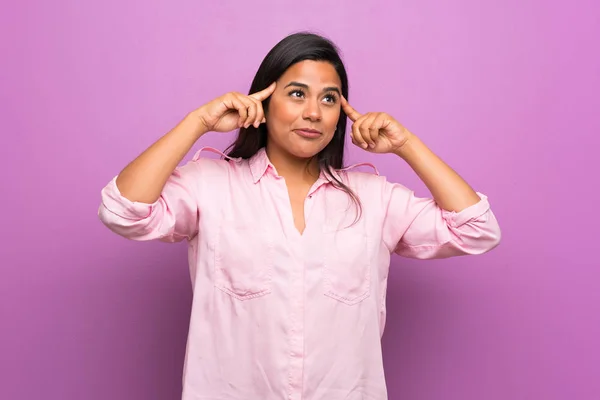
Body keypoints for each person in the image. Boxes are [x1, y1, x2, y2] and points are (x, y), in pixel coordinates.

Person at [98, 32, 501, 400]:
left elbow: (477, 230)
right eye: (296, 94)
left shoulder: (375, 199)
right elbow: (123, 210)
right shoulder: (211, 185)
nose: (314, 112)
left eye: (329, 99)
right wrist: (197, 123)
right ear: (263, 100)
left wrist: (407, 145)